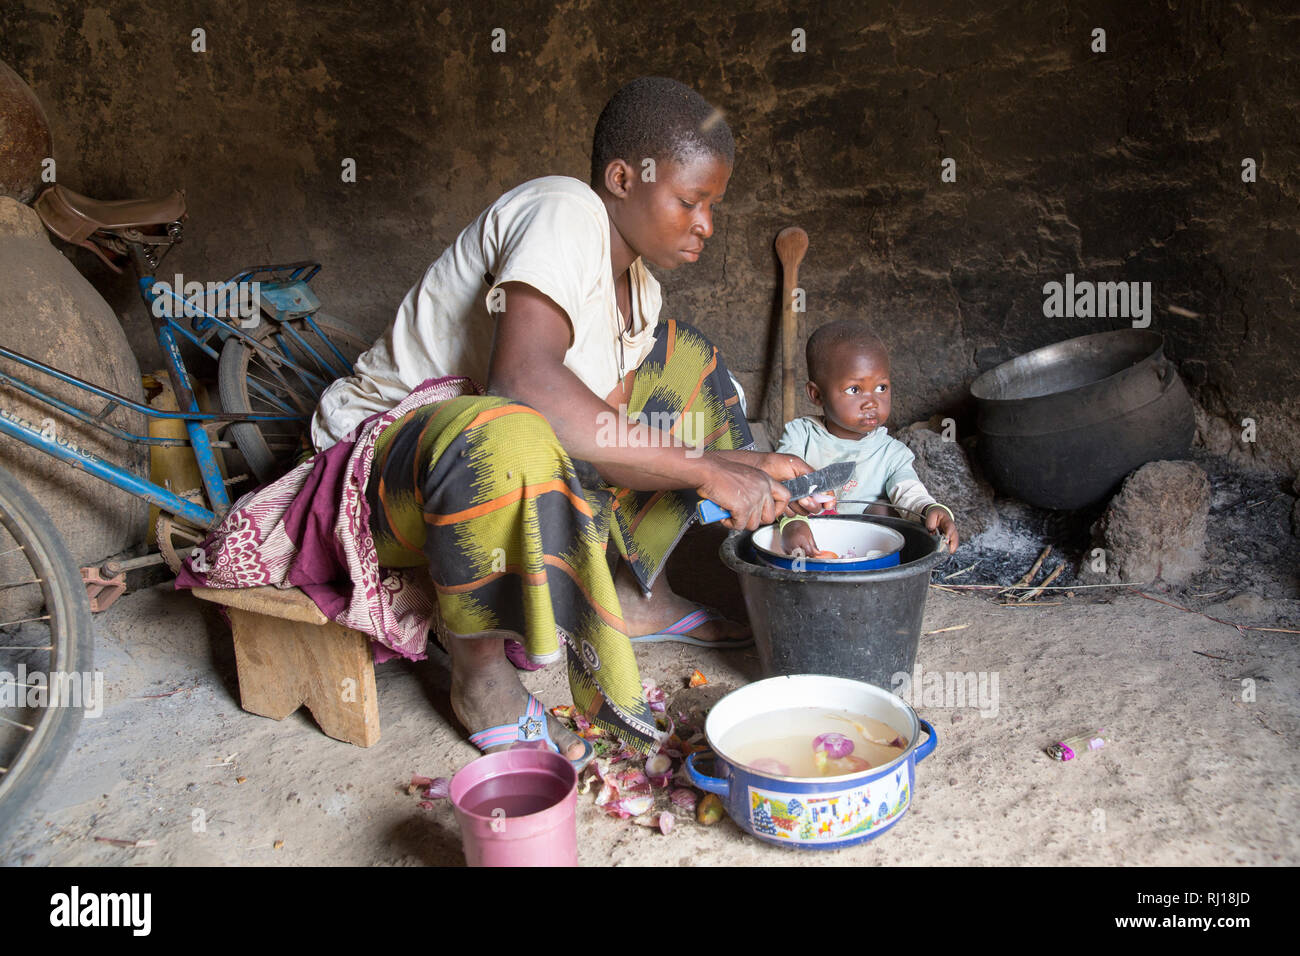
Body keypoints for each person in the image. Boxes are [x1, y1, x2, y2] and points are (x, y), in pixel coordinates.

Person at [295, 77, 828, 762]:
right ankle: (480, 675)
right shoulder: (563, 207)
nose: (707, 225)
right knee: (508, 429)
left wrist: (745, 465)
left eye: (713, 207)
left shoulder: (639, 288)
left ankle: (638, 594)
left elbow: (602, 435)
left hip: (483, 456)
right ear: (622, 178)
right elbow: (525, 384)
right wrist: (706, 472)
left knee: (681, 357)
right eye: (691, 201)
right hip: (379, 474)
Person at [775, 320, 960, 557]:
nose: (872, 402)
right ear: (817, 394)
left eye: (881, 388)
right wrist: (792, 523)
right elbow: (781, 486)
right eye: (854, 389)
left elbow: (909, 493)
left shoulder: (891, 453)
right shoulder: (801, 435)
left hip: (864, 551)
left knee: (884, 510)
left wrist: (932, 509)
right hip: (809, 541)